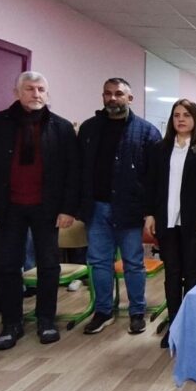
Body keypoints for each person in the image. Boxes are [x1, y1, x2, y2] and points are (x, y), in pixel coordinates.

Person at [0, 72, 79, 350]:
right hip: (8, 207)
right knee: (8, 266)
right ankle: (11, 323)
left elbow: (73, 171)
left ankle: (46, 319)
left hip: (47, 208)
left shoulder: (60, 127)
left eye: (41, 89)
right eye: (29, 89)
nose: (36, 94)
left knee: (49, 265)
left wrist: (68, 208)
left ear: (47, 93)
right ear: (16, 92)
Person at [78, 77, 161, 335]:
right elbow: (79, 168)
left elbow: (154, 177)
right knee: (99, 262)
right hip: (97, 208)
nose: (112, 98)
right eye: (108, 93)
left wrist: (150, 211)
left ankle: (137, 311)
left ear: (130, 98)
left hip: (130, 209)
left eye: (118, 94)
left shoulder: (147, 132)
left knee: (133, 263)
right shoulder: (89, 129)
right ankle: (103, 311)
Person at [144, 99, 196, 348]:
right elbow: (152, 184)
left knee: (192, 272)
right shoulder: (160, 148)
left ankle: (191, 325)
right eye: (176, 115)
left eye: (186, 115)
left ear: (195, 119)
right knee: (172, 274)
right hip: (166, 220)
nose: (181, 119)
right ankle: (174, 325)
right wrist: (150, 214)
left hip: (194, 221)